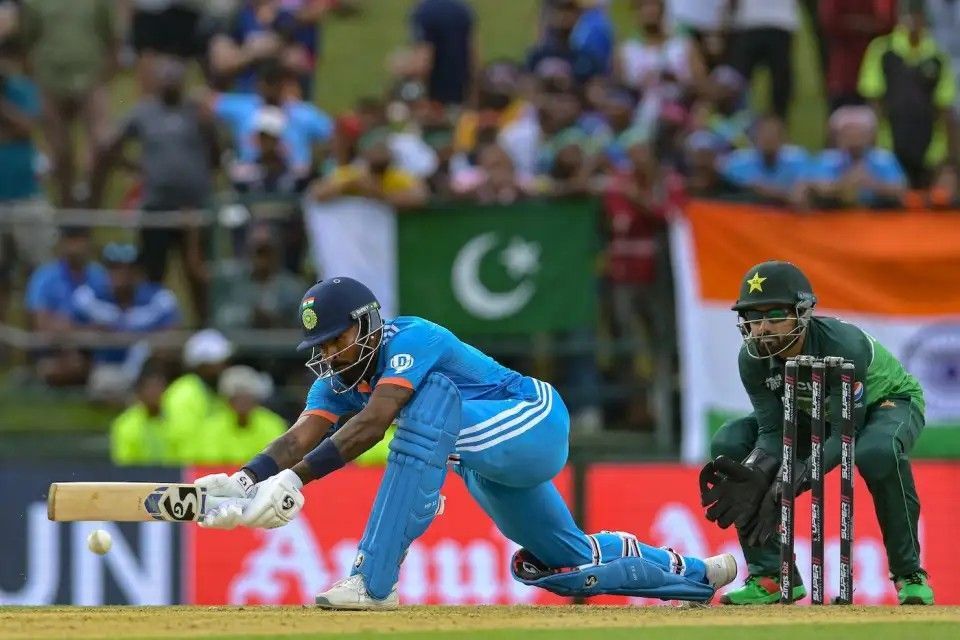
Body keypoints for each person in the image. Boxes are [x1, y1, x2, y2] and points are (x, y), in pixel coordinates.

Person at [194, 277, 737, 609]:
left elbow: (373, 424)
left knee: (422, 406)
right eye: (321, 345)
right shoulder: (334, 378)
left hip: (531, 421)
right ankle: (695, 575)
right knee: (563, 561)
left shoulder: (411, 338)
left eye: (338, 338)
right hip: (483, 461)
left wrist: (293, 482)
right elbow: (299, 436)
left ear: (367, 323)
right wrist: (244, 480)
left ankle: (373, 581)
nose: (331, 353)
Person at [699, 260, 934, 606]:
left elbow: (844, 435)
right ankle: (771, 576)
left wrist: (790, 481)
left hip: (883, 405)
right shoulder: (751, 358)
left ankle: (909, 573)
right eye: (753, 318)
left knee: (876, 452)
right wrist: (757, 472)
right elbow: (772, 431)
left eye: (774, 316)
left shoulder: (843, 346)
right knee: (730, 444)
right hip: (815, 413)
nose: (762, 329)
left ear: (803, 313)